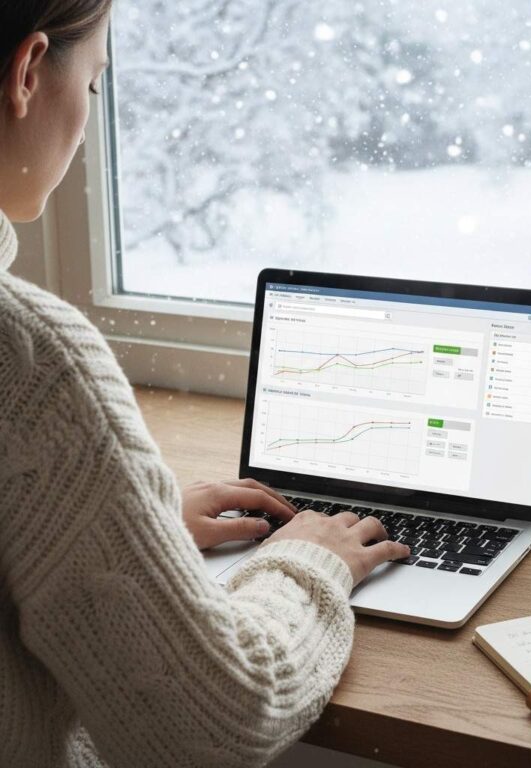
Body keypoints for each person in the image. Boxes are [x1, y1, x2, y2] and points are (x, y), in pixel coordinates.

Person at [0, 2, 410, 766]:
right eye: (92, 88)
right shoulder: (30, 360)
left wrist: (122, 530)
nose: (88, 124)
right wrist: (308, 561)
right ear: (28, 73)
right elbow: (215, 727)